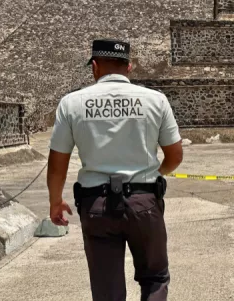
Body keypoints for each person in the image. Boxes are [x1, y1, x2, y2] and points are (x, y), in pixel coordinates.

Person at [47, 39, 184, 301]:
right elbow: (175, 155)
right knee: (154, 278)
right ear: (129, 66)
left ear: (95, 67)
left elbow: (57, 162)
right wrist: (156, 175)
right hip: (144, 202)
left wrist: (55, 201)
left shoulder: (72, 103)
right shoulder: (155, 100)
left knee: (107, 291)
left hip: (96, 205)